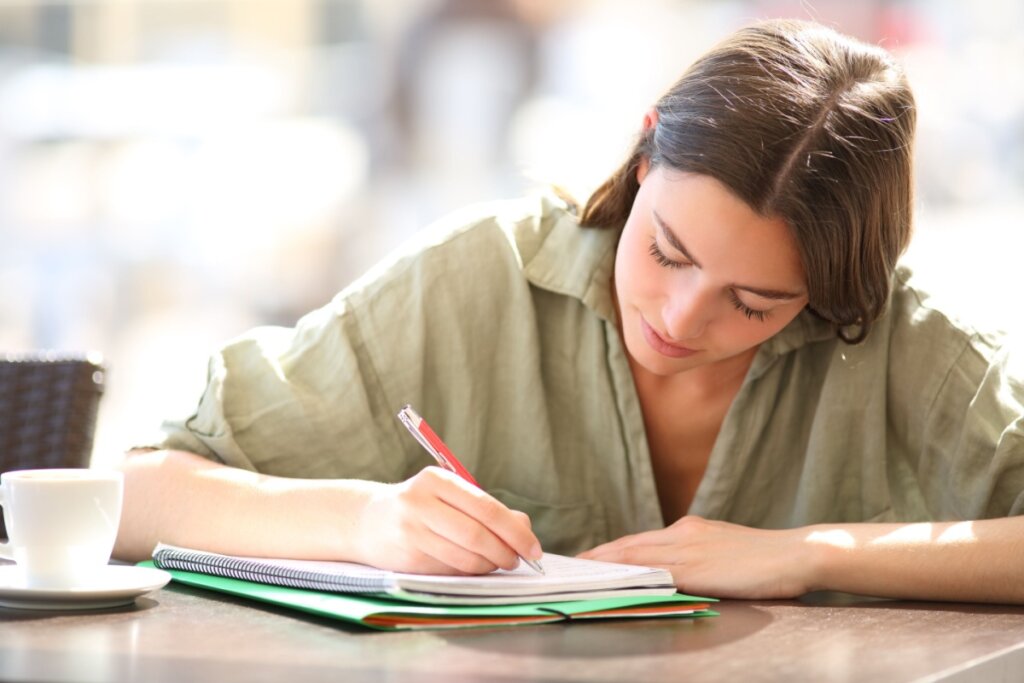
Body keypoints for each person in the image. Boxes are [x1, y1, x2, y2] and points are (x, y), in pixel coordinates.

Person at [114, 18, 1024, 603]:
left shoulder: (912, 350)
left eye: (754, 303)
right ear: (640, 159)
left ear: (832, 295)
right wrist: (361, 519)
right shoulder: (472, 282)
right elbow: (135, 496)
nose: (678, 315)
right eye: (666, 248)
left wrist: (816, 552)